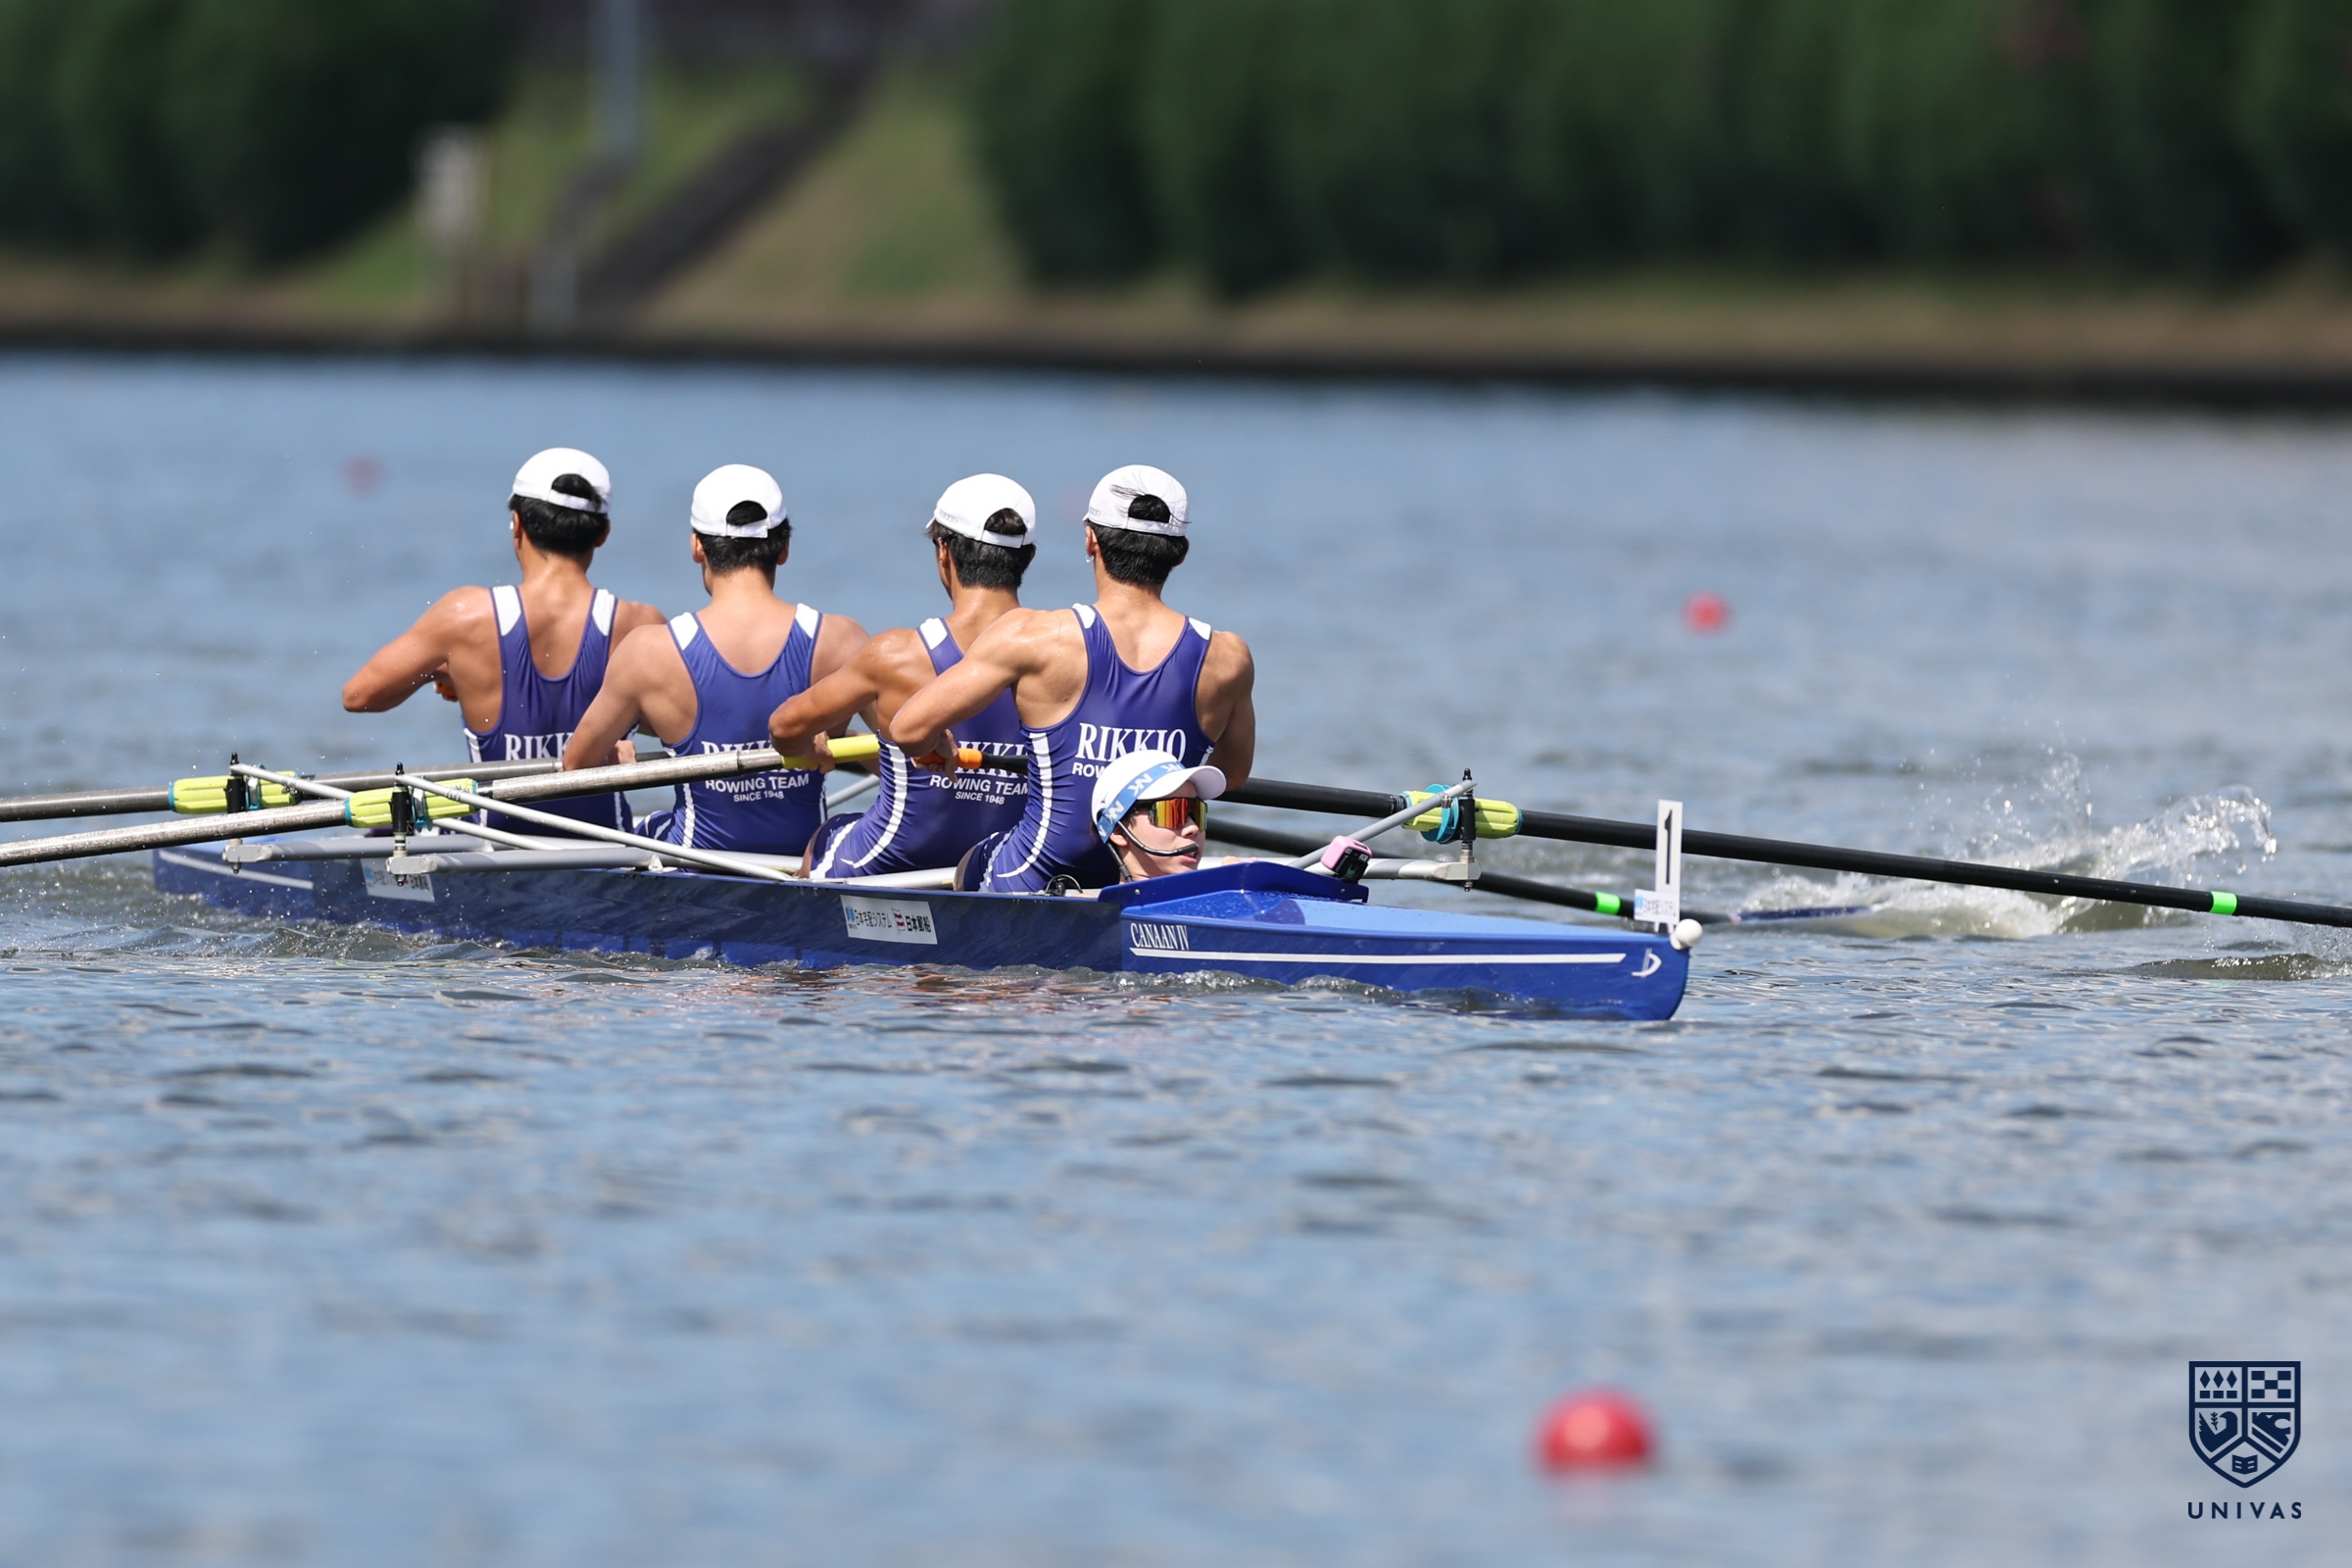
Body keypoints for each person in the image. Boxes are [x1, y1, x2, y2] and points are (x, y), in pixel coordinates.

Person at [888, 463, 1256, 892]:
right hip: (1151, 875)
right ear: (1180, 553)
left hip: (1033, 877)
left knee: (974, 860)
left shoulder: (1035, 636)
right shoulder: (1228, 657)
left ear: (1090, 540)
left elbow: (908, 730)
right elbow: (1232, 773)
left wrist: (937, 743)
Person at [339, 447, 662, 833]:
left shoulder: (464, 616)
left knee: (382, 832)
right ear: (603, 534)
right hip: (606, 849)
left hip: (493, 850)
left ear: (517, 525)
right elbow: (678, 724)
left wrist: (443, 671)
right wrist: (619, 726)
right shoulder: (640, 624)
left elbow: (358, 696)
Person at [562, 464, 865, 855]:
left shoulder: (648, 652)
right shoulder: (842, 640)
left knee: (648, 826)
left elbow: (576, 766)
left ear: (697, 547)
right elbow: (906, 755)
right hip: (803, 861)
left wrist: (619, 748)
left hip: (695, 864)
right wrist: (846, 741)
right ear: (784, 548)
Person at [772, 473, 1037, 879]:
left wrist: (813, 746)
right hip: (1003, 862)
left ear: (944, 552)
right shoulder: (1061, 652)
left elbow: (784, 728)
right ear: (1028, 557)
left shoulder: (895, 655)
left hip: (893, 860)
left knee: (827, 835)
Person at [1089, 748, 1227, 882]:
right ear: (1120, 833)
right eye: (1172, 812)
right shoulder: (1093, 901)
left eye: (1198, 811)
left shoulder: (1228, 886)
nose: (1193, 828)